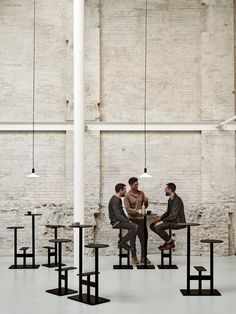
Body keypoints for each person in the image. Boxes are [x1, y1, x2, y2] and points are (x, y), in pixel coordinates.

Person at [150, 183, 186, 250]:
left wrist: (161, 222)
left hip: (177, 222)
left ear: (170, 190)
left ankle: (170, 242)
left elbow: (173, 216)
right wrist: (159, 219)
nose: (165, 190)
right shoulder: (170, 200)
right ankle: (168, 241)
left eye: (166, 189)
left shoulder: (177, 200)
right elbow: (167, 213)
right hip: (172, 221)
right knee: (152, 225)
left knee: (158, 228)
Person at [124, 177, 150, 265]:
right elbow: (127, 209)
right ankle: (134, 257)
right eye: (135, 184)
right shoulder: (127, 195)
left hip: (141, 220)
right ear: (131, 185)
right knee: (132, 239)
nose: (137, 186)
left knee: (143, 239)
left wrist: (146, 202)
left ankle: (143, 257)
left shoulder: (141, 193)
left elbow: (144, 207)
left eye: (137, 184)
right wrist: (137, 211)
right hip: (132, 220)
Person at [108, 183, 138, 251]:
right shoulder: (114, 200)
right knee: (134, 226)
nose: (126, 192)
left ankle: (122, 240)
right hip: (116, 222)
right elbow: (118, 215)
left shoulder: (118, 199)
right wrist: (127, 221)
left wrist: (128, 220)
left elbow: (122, 212)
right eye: (124, 190)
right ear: (120, 190)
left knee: (134, 225)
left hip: (119, 221)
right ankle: (123, 242)